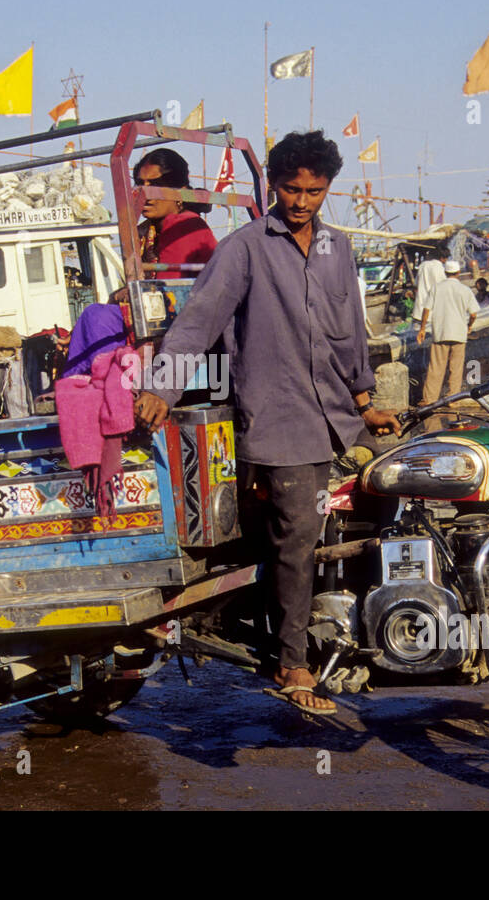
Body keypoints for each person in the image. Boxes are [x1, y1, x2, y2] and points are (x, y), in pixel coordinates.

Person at [133, 130, 401, 715]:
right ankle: (292, 660)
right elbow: (198, 323)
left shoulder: (339, 248)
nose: (302, 201)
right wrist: (160, 387)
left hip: (337, 417)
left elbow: (351, 332)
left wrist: (364, 403)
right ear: (274, 185)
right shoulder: (245, 247)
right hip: (277, 420)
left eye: (314, 190)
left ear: (328, 188)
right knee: (297, 537)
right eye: (290, 189)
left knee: (392, 508)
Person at [133, 149, 218, 280]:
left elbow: (169, 288)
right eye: (140, 185)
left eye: (156, 186)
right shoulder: (146, 231)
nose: (146, 195)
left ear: (180, 192)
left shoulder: (185, 225)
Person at [417, 259, 480, 433]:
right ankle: (453, 399)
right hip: (459, 334)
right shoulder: (465, 290)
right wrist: (469, 325)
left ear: (445, 273)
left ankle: (429, 400)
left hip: (441, 332)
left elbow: (426, 309)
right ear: (459, 273)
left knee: (436, 367)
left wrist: (422, 328)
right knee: (456, 368)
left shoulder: (437, 288)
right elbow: (474, 313)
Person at [410, 248, 446, 325]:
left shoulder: (423, 265)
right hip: (432, 313)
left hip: (419, 310)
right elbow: (443, 288)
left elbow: (415, 286)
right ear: (442, 258)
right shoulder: (440, 268)